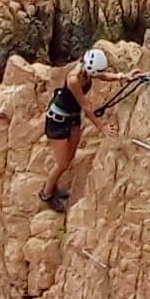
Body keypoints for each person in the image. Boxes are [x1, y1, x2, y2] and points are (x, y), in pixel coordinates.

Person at [35, 46, 122, 210]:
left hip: (72, 118)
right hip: (58, 121)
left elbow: (102, 75)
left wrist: (122, 76)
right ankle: (46, 193)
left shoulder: (87, 71)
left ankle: (53, 187)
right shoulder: (74, 79)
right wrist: (101, 127)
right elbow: (86, 106)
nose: (97, 75)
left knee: (69, 158)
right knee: (62, 163)